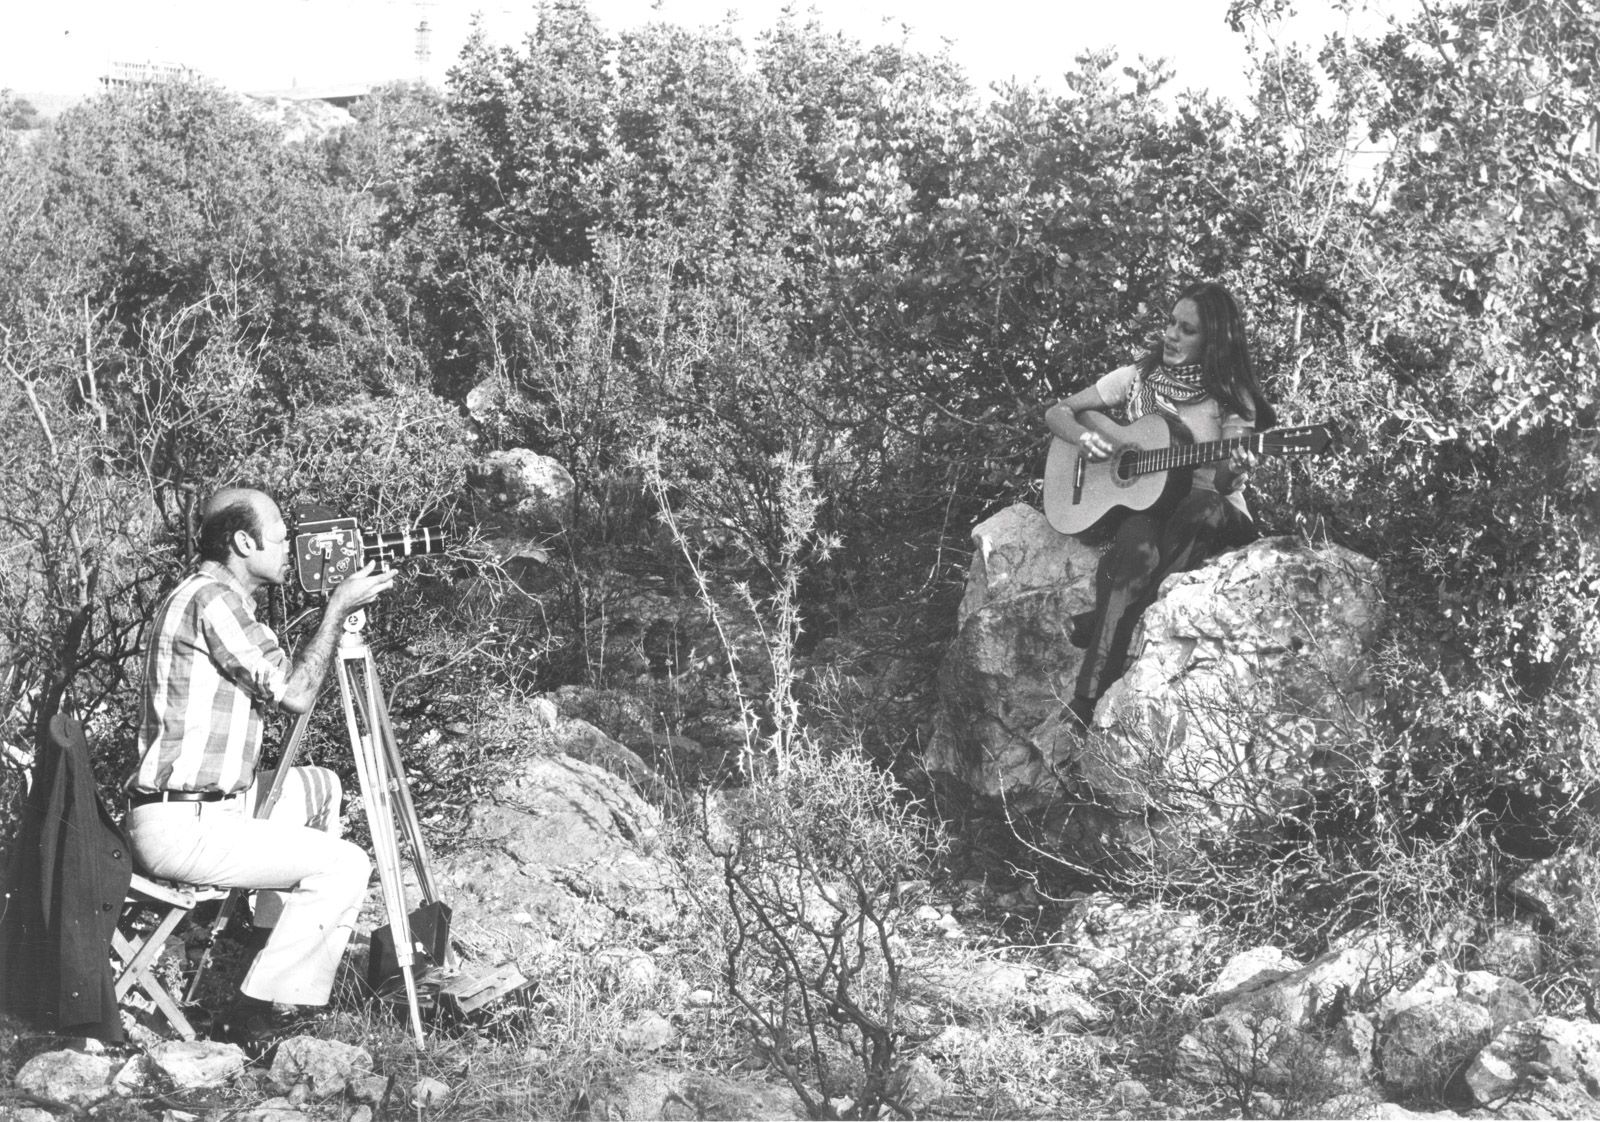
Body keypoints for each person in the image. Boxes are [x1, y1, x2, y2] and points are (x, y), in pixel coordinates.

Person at [125, 487, 395, 1044]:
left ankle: (267, 945)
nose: (292, 551)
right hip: (186, 825)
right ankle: (263, 1009)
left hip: (206, 806)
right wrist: (337, 608)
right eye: (280, 539)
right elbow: (296, 692)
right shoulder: (212, 602)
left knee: (322, 786)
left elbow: (278, 674)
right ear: (243, 543)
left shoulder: (216, 599)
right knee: (345, 866)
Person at [1044, 281, 1276, 728]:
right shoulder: (1139, 376)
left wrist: (1239, 467)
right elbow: (1058, 412)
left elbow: (1226, 481)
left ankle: (1114, 619)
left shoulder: (1231, 396)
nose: (1170, 334)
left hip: (1212, 510)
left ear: (1213, 343)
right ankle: (1086, 703)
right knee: (1131, 551)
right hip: (1152, 503)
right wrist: (1083, 437)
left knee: (1200, 507)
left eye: (1186, 329)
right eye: (1171, 322)